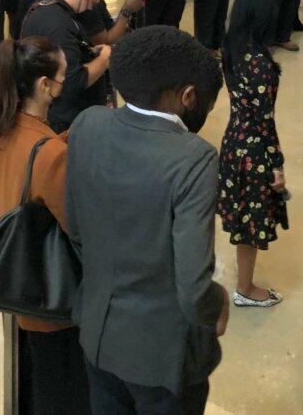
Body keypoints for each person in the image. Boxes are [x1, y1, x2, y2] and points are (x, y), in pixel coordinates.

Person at [65, 25, 229, 415]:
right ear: (188, 96)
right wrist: (218, 302)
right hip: (162, 358)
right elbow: (193, 290)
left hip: (96, 333)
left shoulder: (87, 124)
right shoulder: (194, 158)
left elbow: (76, 227)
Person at [0, 35, 89, 415]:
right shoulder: (51, 156)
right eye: (62, 77)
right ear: (44, 85)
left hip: (14, 282)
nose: (64, 84)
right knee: (60, 394)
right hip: (49, 303)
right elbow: (79, 228)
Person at [218, 0, 290, 308]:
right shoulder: (260, 63)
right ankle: (245, 288)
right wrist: (277, 164)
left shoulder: (231, 48)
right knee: (250, 222)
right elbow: (264, 120)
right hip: (254, 151)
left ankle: (244, 283)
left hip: (233, 141)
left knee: (242, 216)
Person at [21, 0, 116, 133]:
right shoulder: (59, 24)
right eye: (92, 2)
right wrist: (103, 59)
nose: (90, 8)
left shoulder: (41, 8)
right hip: (65, 122)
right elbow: (73, 80)